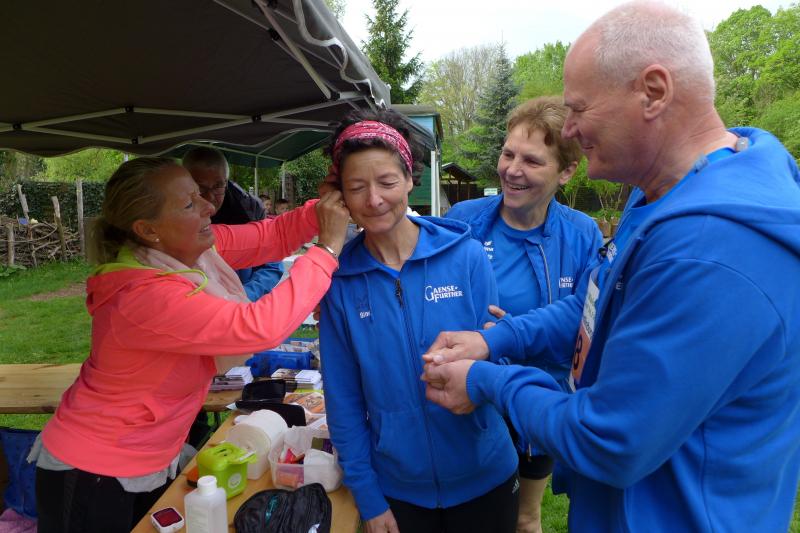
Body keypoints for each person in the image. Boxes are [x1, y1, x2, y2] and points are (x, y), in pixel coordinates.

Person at [422, 2, 800, 532]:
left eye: (579, 108)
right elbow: (597, 306)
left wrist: (488, 381)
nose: (570, 128)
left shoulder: (711, 248)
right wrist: (493, 341)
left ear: (654, 92)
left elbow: (610, 439)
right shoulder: (663, 196)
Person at [33, 157, 350, 532]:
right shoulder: (142, 294)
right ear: (148, 229)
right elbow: (259, 327)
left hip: (144, 456)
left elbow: (272, 236)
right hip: (93, 467)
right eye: (188, 203)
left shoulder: (186, 250)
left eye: (200, 194)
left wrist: (326, 205)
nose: (208, 206)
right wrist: (326, 251)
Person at [319, 110, 519, 533]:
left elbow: (497, 354)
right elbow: (343, 399)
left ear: (410, 179)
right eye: (356, 187)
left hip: (486, 476)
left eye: (387, 182)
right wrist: (368, 497)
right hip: (398, 492)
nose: (374, 199)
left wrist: (490, 364)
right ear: (340, 196)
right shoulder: (337, 283)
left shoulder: (466, 256)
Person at [445, 96, 602, 533]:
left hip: (541, 398)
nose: (512, 170)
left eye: (532, 161)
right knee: (471, 514)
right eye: (508, 154)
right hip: (473, 396)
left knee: (525, 518)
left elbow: (584, 324)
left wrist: (509, 331)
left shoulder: (581, 234)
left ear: (566, 171)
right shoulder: (463, 221)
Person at [183, 146, 284, 301]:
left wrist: (244, 295)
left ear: (226, 182)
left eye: (218, 186)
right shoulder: (171, 214)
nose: (209, 199)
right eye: (200, 188)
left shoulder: (250, 209)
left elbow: (272, 263)